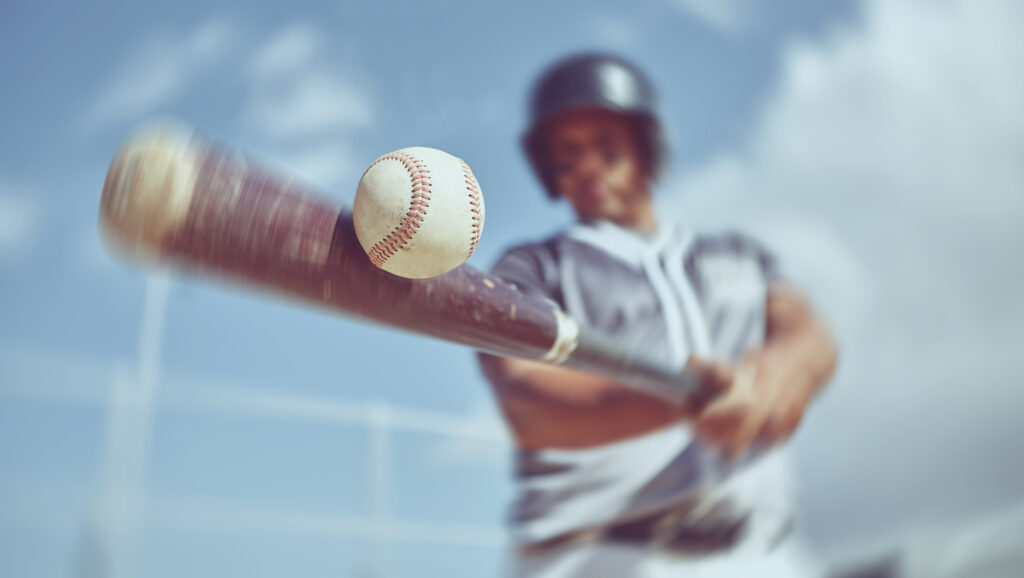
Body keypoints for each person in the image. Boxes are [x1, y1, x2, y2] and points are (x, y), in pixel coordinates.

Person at [477, 53, 838, 577]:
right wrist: (685, 398)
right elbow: (523, 398)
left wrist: (780, 375)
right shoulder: (533, 266)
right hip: (596, 558)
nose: (588, 168)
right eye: (568, 154)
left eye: (607, 148)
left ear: (647, 151)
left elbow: (807, 331)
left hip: (767, 553)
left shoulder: (737, 254)